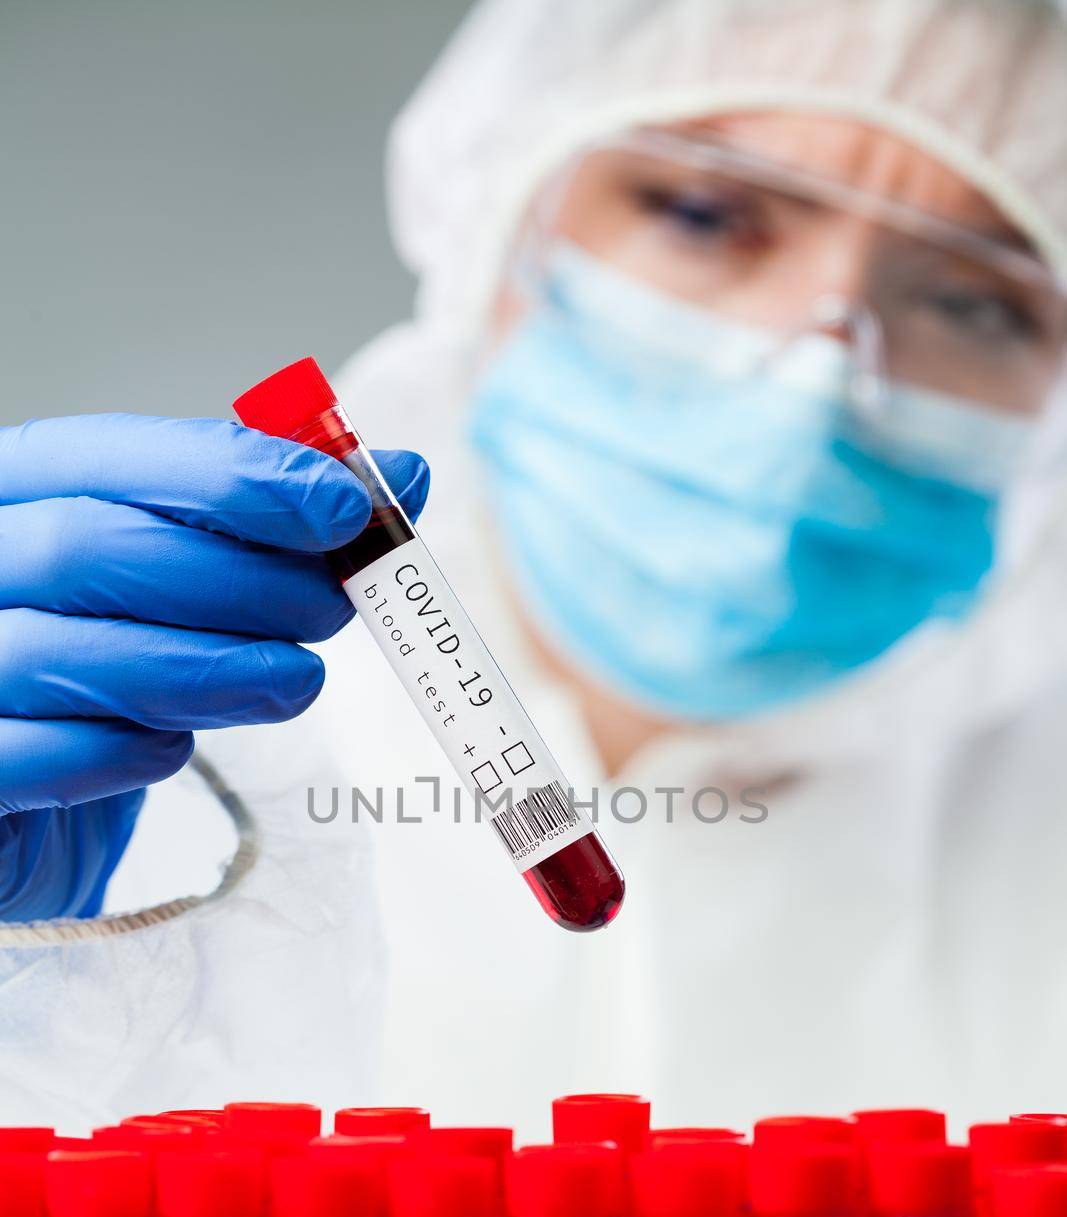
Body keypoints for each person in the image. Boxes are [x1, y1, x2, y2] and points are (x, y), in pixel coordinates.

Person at [3, 0, 1067, 1134]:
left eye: (970, 300)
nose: (815, 373)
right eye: (706, 213)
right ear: (502, 212)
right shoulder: (158, 732)